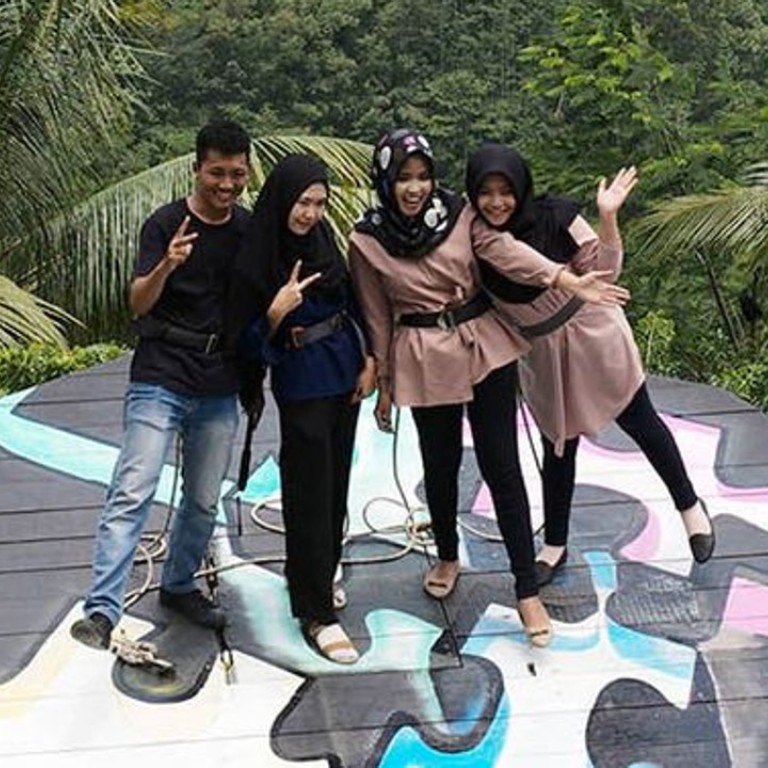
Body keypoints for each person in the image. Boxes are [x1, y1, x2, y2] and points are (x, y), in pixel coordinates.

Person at [348, 129, 629, 647]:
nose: (415, 188)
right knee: (439, 464)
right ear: (386, 181)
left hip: (482, 344)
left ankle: (526, 588)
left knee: (502, 465)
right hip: (423, 353)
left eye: (423, 176)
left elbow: (505, 250)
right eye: (404, 178)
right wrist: (384, 381)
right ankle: (447, 555)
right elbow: (376, 313)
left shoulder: (458, 214)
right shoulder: (367, 239)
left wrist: (563, 278)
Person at [464, 142, 715, 588]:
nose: (497, 202)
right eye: (486, 192)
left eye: (506, 191)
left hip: (592, 330)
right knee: (559, 443)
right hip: (543, 352)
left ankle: (690, 506)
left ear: (521, 188)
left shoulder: (556, 216)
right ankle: (555, 543)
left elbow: (607, 271)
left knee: (640, 420)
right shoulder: (477, 240)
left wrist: (608, 217)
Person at [70, 119, 252, 649]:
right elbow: (138, 302)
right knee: (133, 489)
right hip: (162, 372)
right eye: (216, 173)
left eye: (236, 174)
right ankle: (102, 609)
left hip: (219, 379)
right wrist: (167, 265)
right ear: (197, 168)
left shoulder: (248, 229)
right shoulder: (165, 224)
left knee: (203, 499)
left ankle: (178, 585)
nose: (226, 184)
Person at [227, 154, 375, 664]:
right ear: (282, 200)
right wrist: (274, 312)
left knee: (335, 484)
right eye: (302, 202)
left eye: (319, 203)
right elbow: (242, 341)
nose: (310, 213)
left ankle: (318, 574)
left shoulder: (322, 241)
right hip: (301, 377)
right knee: (309, 489)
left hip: (344, 368)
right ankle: (316, 613)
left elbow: (352, 299)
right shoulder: (258, 257)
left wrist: (370, 359)